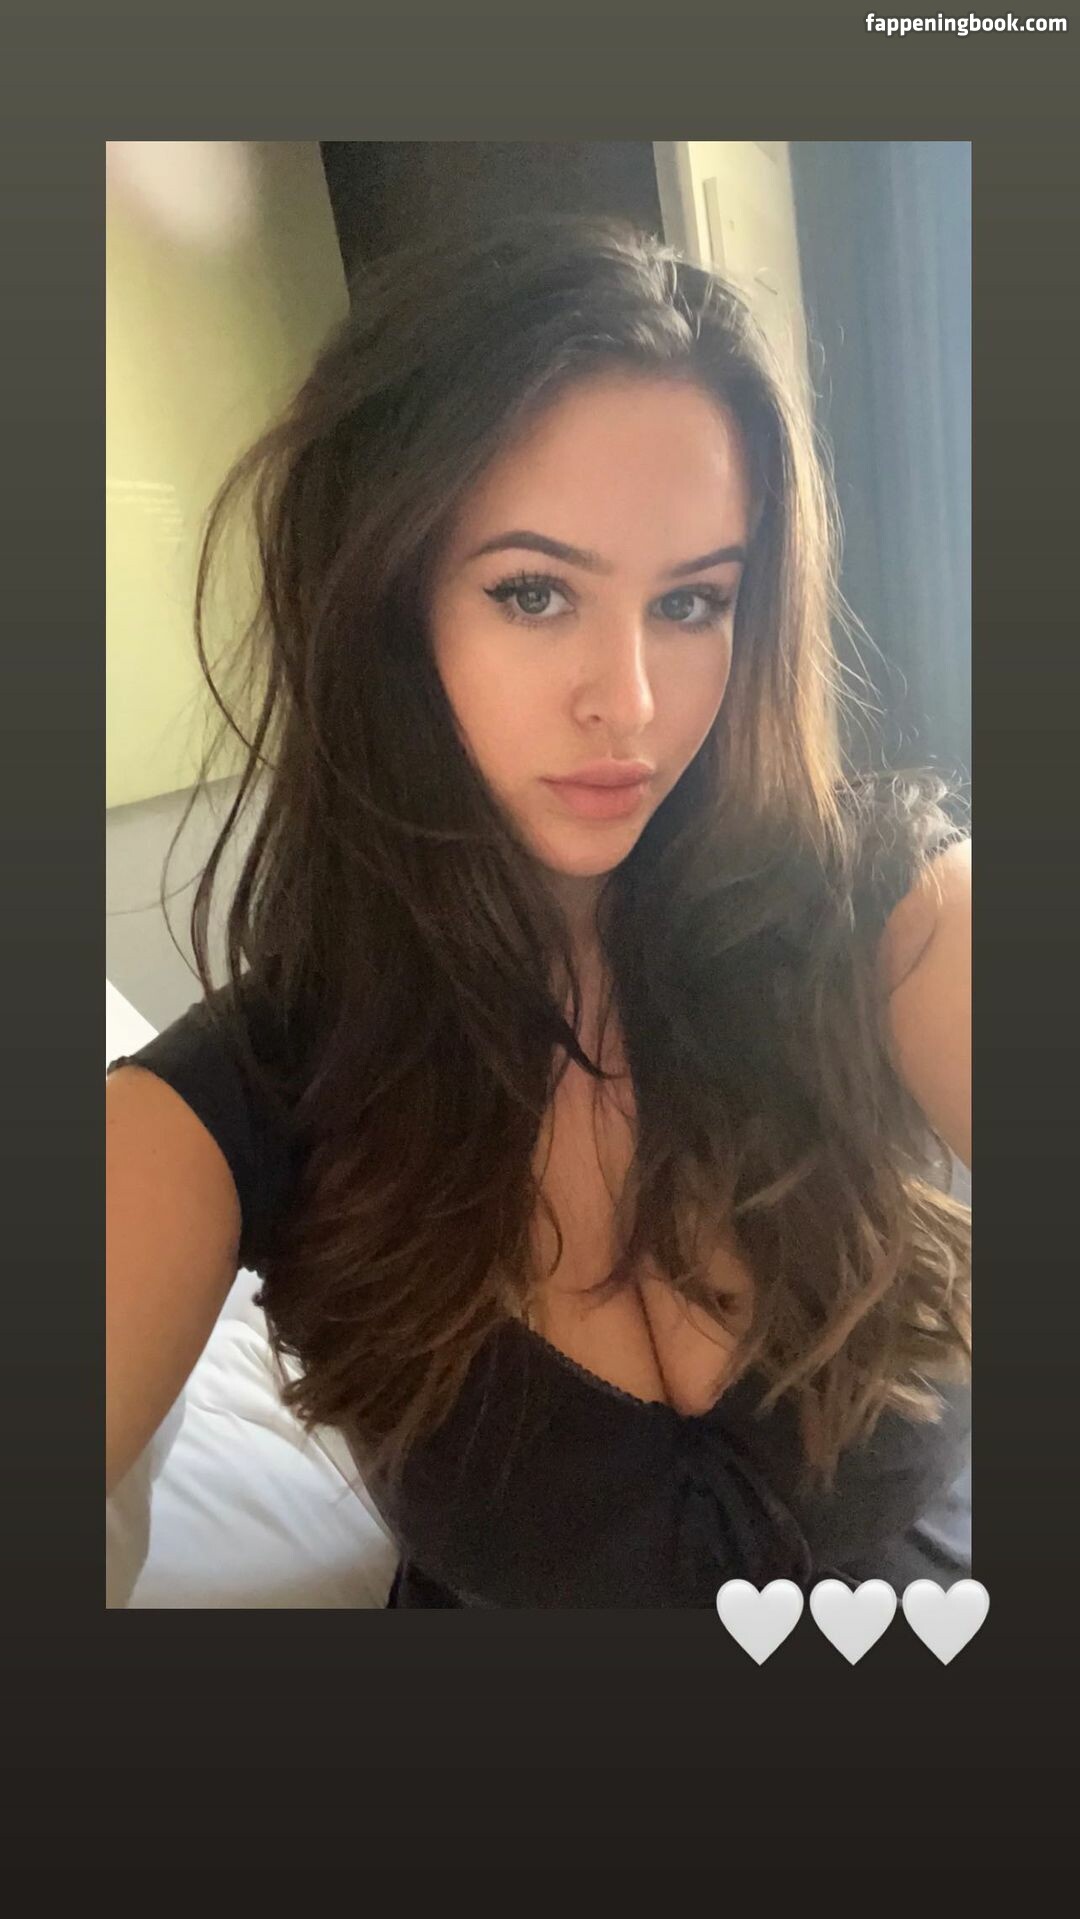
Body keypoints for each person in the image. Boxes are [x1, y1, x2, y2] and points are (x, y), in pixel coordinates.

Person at [106, 214, 971, 1607]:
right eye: (533, 592)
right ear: (386, 606)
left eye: (693, 604)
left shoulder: (892, 915)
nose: (632, 702)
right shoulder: (246, 1098)